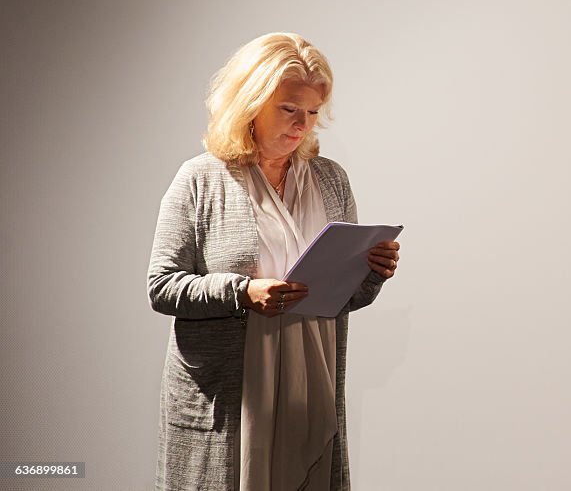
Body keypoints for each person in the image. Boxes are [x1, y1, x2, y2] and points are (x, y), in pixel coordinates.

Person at [147, 32, 400, 491]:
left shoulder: (330, 180)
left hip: (310, 391)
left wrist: (373, 271)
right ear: (251, 102)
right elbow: (161, 287)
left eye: (313, 112)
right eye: (289, 109)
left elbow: (341, 298)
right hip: (232, 401)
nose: (303, 125)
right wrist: (242, 293)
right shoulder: (200, 180)